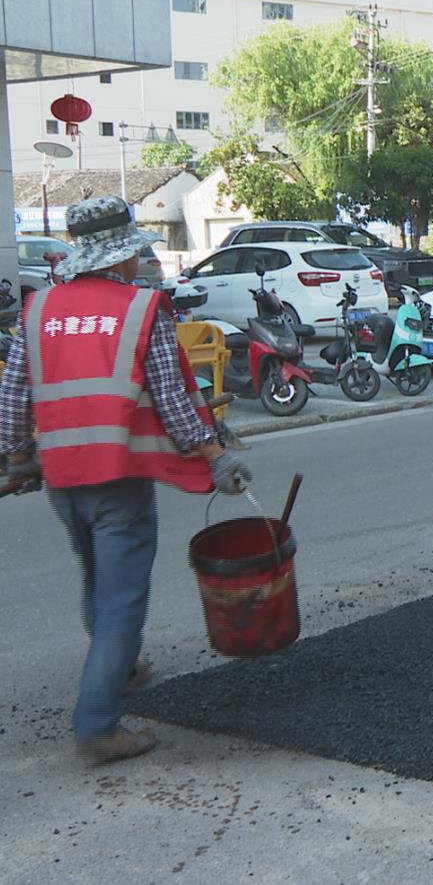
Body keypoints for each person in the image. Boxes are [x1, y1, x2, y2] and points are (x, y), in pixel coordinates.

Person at [0, 196, 253, 764]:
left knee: (96, 576)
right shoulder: (141, 312)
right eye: (137, 256)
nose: (142, 265)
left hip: (64, 480)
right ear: (120, 260)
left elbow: (13, 394)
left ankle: (121, 668)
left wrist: (18, 457)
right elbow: (173, 402)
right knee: (122, 597)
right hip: (117, 477)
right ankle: (98, 723)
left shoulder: (38, 310)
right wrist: (215, 456)